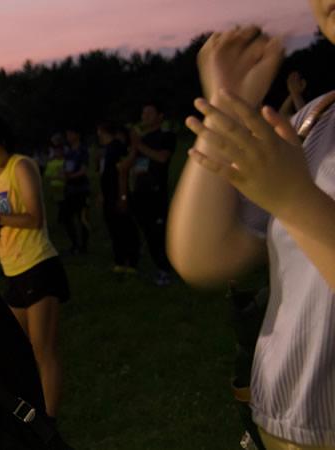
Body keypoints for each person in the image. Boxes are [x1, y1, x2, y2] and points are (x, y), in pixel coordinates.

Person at [169, 17, 335, 449]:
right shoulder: (314, 121)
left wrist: (297, 202)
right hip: (279, 426)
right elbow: (206, 255)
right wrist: (226, 108)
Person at [0, 112, 68, 419]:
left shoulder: (21, 165)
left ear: (0, 139)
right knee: (16, 348)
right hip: (13, 269)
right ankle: (30, 411)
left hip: (38, 263)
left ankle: (48, 423)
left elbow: (34, 219)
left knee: (43, 349)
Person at [127, 102, 176, 286]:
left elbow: (162, 158)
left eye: (149, 113)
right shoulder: (143, 138)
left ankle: (166, 270)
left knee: (158, 232)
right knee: (147, 230)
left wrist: (138, 145)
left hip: (156, 190)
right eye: (143, 113)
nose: (144, 116)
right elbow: (133, 163)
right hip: (140, 190)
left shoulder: (166, 136)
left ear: (160, 116)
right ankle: (159, 265)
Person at [97, 122, 140, 273]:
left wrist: (122, 196)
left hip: (117, 194)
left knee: (124, 227)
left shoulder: (116, 148)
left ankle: (131, 262)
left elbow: (122, 173)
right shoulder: (108, 149)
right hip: (110, 194)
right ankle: (120, 261)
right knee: (114, 228)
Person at [60, 128, 90, 254]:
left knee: (82, 217)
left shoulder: (82, 150)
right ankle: (74, 244)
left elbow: (84, 169)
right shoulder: (69, 151)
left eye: (71, 134)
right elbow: (65, 166)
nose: (68, 137)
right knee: (66, 217)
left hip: (80, 188)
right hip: (69, 188)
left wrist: (71, 176)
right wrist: (63, 174)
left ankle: (83, 246)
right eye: (67, 134)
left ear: (77, 135)